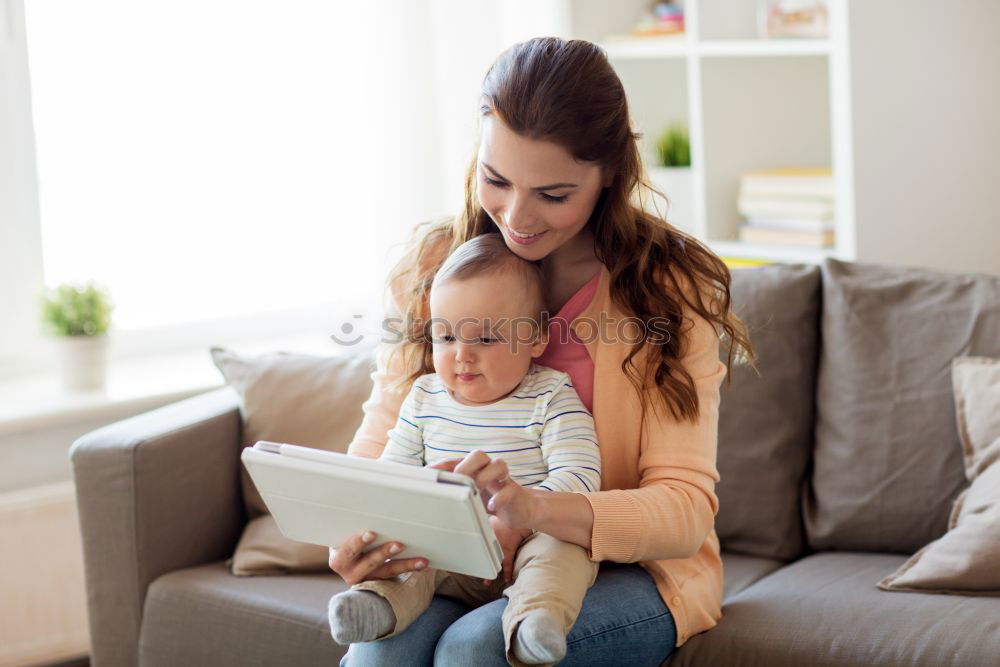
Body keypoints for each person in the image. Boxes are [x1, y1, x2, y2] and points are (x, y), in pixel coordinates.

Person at [329, 36, 755, 666]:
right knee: (378, 653)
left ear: (609, 177)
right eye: (496, 180)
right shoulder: (432, 268)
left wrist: (537, 512)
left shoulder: (666, 289)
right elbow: (384, 434)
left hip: (624, 567)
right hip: (455, 560)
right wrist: (355, 533)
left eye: (553, 194)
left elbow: (684, 509)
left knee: (476, 653)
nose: (517, 216)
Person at [328, 233, 602, 666]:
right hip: (445, 549)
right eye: (446, 337)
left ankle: (534, 622)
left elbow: (581, 476)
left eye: (486, 340)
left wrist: (522, 510)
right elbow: (390, 478)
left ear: (535, 339)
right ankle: (375, 607)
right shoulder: (423, 398)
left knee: (561, 555)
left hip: (529, 541)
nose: (462, 356)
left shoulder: (550, 395)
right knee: (407, 553)